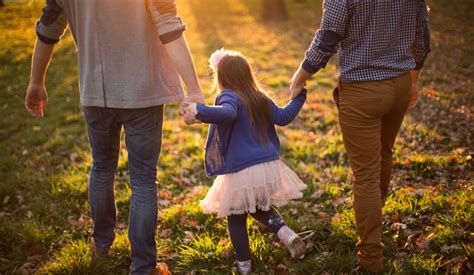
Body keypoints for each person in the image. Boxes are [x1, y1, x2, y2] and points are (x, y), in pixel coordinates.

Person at [24, 1, 204, 274]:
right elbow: (170, 28)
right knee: (143, 178)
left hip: (95, 91)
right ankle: (143, 266)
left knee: (102, 166)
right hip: (143, 91)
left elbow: (48, 29)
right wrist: (194, 89)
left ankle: (101, 246)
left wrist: (36, 82)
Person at [289, 0, 431, 273]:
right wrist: (414, 79)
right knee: (383, 154)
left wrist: (299, 76)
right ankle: (374, 218)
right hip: (399, 83)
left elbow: (328, 38)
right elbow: (421, 36)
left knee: (366, 174)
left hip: (362, 91)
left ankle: (370, 259)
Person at [183, 49, 307, 274]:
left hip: (242, 168)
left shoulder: (229, 96)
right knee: (260, 206)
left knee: (236, 216)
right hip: (267, 165)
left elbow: (228, 113)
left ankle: (244, 265)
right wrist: (299, 97)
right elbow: (284, 117)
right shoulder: (259, 97)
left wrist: (198, 110)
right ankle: (286, 234)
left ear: (223, 77)